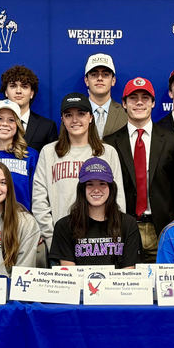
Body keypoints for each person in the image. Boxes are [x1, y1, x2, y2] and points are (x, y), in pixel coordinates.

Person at [104, 77, 174, 262]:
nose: (139, 102)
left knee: (165, 287)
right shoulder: (110, 143)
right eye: (133, 98)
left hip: (164, 229)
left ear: (153, 103)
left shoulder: (171, 141)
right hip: (125, 228)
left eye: (145, 98)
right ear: (124, 103)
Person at [32, 92, 125, 248]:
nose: (75, 120)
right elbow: (39, 201)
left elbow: (118, 199)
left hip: (100, 243)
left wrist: (111, 236)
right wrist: (52, 238)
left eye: (81, 114)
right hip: (61, 240)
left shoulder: (107, 152)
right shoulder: (49, 152)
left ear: (90, 117)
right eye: (68, 115)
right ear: (62, 119)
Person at [49, 158, 141, 268]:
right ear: (82, 189)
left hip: (118, 285)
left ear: (111, 188)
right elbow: (69, 277)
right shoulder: (64, 226)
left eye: (102, 183)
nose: (96, 190)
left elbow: (129, 273)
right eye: (90, 184)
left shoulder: (128, 224)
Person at [0, 65, 58, 152]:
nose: (18, 91)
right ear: (6, 92)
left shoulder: (47, 127)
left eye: (24, 87)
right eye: (13, 86)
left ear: (31, 93)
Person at [84, 53, 127, 138]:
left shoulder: (126, 113)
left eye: (105, 74)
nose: (100, 78)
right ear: (86, 81)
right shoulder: (74, 113)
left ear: (113, 80)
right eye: (94, 74)